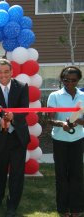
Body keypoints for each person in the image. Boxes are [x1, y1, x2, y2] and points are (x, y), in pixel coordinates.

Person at [0, 58, 30, 217]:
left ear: (12, 72)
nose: (3, 74)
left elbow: (25, 109)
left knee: (17, 175)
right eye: (0, 72)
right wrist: (0, 121)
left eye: (6, 71)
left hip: (18, 137)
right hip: (0, 137)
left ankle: (12, 206)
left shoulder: (22, 87)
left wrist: (13, 116)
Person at [47, 66, 84, 217]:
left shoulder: (82, 96)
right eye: (66, 80)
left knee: (77, 175)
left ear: (78, 80)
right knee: (61, 176)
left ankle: (76, 209)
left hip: (78, 139)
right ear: (62, 80)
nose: (69, 83)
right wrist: (61, 124)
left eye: (73, 80)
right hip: (60, 140)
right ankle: (63, 210)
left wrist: (79, 121)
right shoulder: (54, 96)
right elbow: (49, 119)